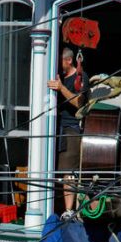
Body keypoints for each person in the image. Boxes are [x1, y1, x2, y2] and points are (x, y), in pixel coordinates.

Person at [48, 47, 89, 216]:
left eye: (60, 60)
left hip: (71, 130)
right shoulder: (61, 78)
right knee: (55, 170)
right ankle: (58, 208)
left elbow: (80, 103)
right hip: (55, 128)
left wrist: (61, 88)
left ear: (69, 60)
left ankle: (69, 211)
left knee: (68, 172)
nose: (57, 64)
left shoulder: (80, 77)